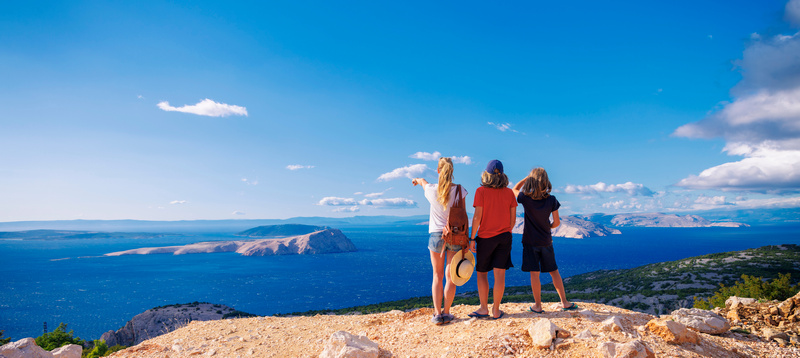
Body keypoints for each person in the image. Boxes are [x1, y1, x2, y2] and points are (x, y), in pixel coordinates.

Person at [412, 157, 469, 325]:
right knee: (451, 276)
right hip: (456, 235)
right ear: (451, 172)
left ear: (438, 171)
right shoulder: (460, 190)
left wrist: (417, 180)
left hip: (436, 236)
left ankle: (437, 314)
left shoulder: (431, 190)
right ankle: (447, 313)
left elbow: (423, 182)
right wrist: (468, 239)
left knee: (437, 275)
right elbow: (464, 216)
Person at [512, 167, 577, 313]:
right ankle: (565, 302)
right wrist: (548, 227)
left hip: (530, 241)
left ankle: (538, 306)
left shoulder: (525, 198)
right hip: (546, 241)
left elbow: (514, 189)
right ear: (546, 181)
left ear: (531, 182)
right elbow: (557, 222)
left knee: (534, 274)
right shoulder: (552, 200)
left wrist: (525, 178)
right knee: (554, 272)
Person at [467, 160, 517, 320]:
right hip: (504, 237)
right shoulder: (509, 193)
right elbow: (513, 221)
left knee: (482, 273)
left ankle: (483, 308)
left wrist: (472, 238)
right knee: (500, 275)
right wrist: (503, 229)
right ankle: (496, 310)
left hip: (485, 238)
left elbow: (477, 218)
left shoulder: (480, 191)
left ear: (486, 174)